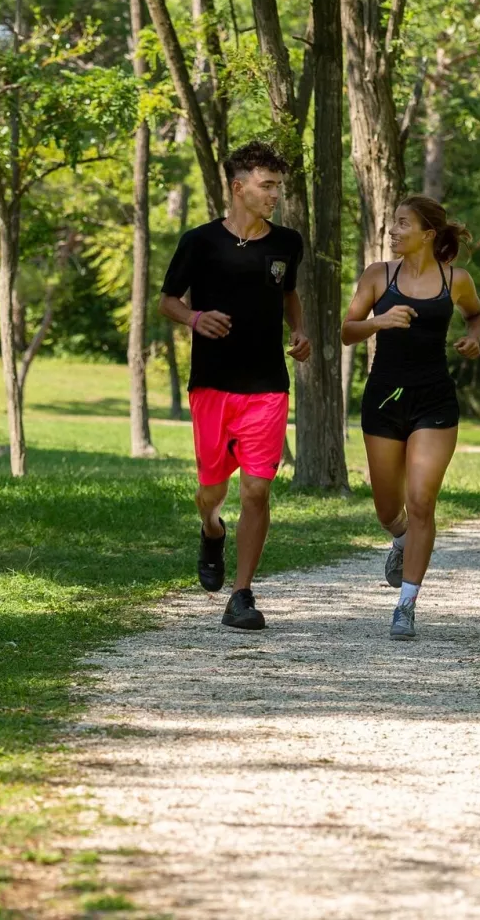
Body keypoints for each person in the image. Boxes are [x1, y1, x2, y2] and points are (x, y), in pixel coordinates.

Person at [159, 141, 311, 630]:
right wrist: (195, 317)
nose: (274, 196)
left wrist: (300, 331)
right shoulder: (199, 242)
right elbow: (167, 301)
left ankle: (242, 595)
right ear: (237, 186)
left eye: (278, 187)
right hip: (212, 384)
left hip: (267, 384)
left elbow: (289, 294)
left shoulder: (287, 243)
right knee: (211, 490)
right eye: (267, 186)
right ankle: (210, 529)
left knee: (257, 490)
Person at [341, 195, 480, 640]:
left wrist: (472, 338)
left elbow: (476, 316)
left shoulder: (454, 279)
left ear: (427, 233)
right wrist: (379, 322)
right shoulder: (377, 276)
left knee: (422, 500)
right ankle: (399, 537)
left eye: (403, 224)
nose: (394, 231)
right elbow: (347, 330)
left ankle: (406, 604)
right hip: (384, 397)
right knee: (389, 507)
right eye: (392, 224)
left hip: (434, 400)